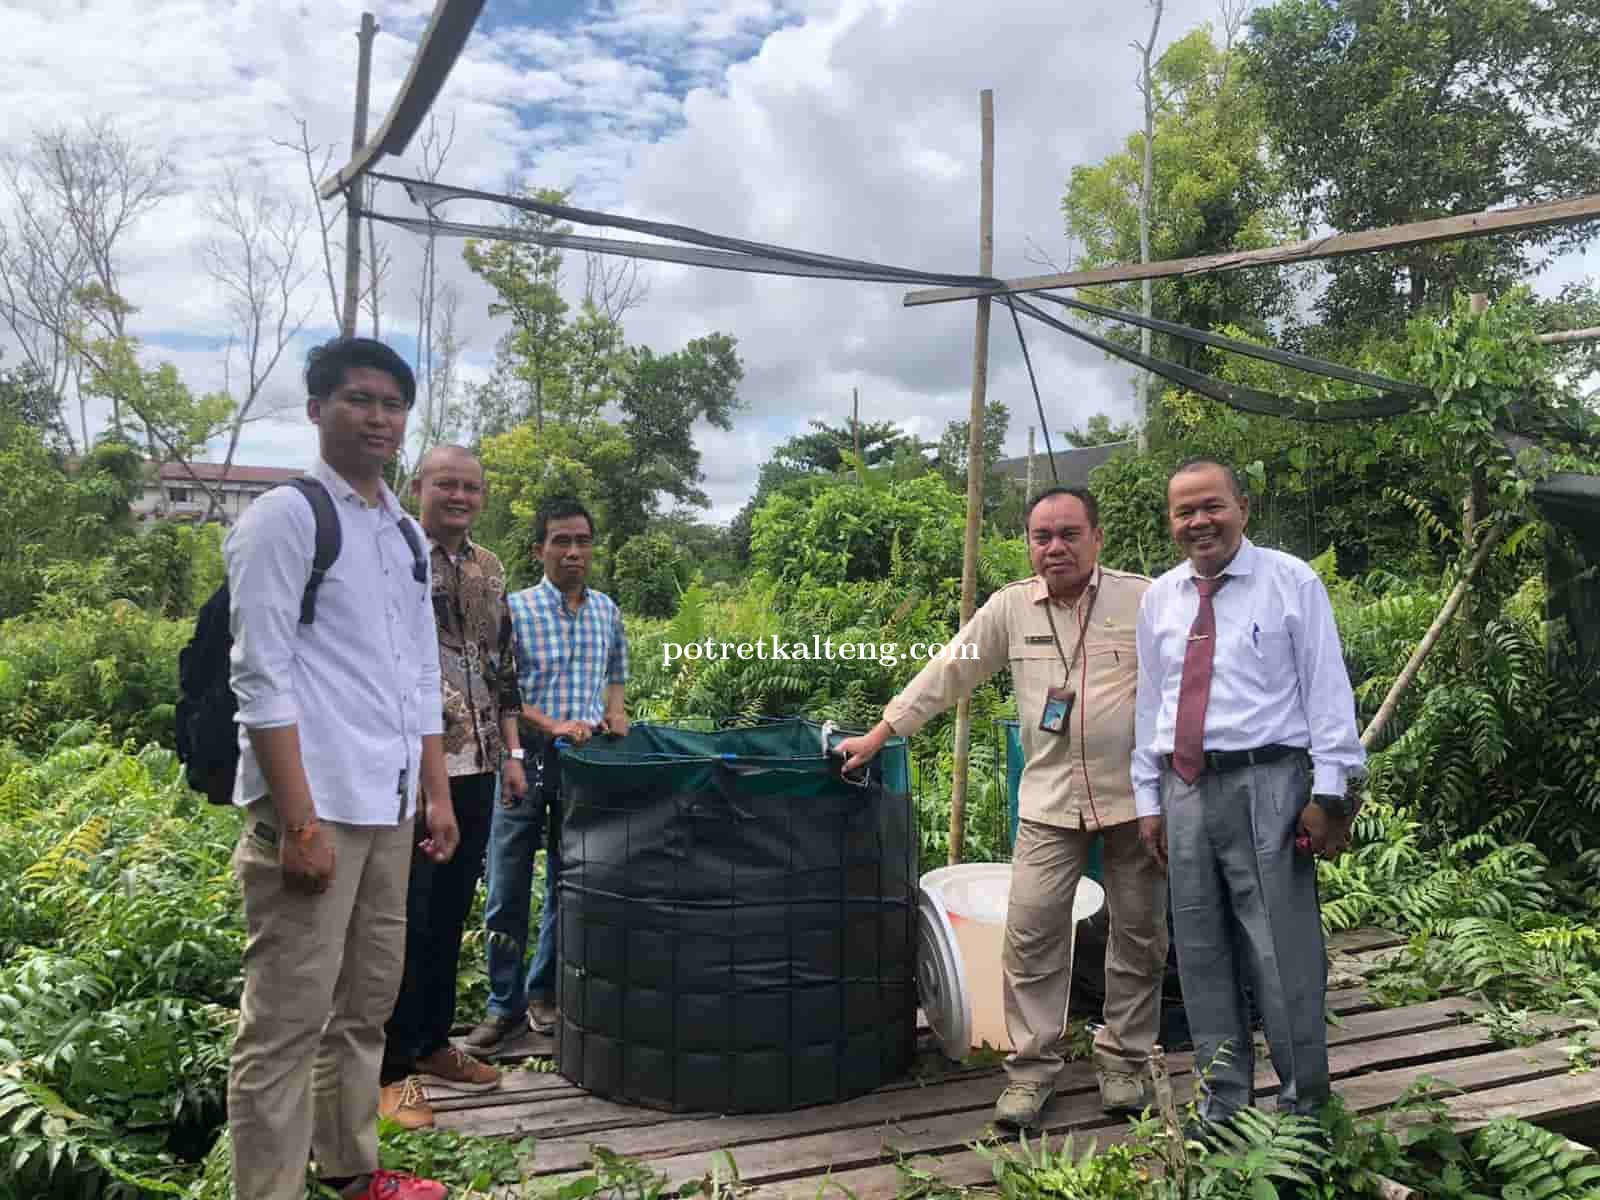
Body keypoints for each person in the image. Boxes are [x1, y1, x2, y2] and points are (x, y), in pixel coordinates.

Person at [838, 486, 1169, 1130]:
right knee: (1032, 933)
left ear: (1098, 538)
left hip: (1137, 800)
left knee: (1139, 935)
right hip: (1049, 802)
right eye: (1042, 536)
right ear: (1027, 545)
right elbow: (948, 671)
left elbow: (1189, 683)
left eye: (1070, 534)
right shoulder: (1010, 608)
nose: (1055, 548)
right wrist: (883, 731)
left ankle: (1125, 1064)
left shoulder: (1145, 598)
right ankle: (1031, 1071)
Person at [224, 337, 457, 1200]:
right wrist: (298, 823)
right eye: (359, 400)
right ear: (317, 408)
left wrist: (436, 793)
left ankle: (351, 1172)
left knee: (363, 1010)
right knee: (285, 1026)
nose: (378, 418)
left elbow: (417, 672)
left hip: (390, 809)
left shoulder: (401, 531)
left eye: (393, 404)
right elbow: (261, 679)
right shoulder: (285, 519)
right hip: (315, 812)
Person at [1132, 458, 1365, 1126]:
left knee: (1279, 949)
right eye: (1184, 511)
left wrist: (1332, 796)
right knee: (1199, 949)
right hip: (1185, 789)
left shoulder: (1291, 582)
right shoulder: (1161, 599)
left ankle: (1304, 1112)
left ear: (1243, 507)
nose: (1199, 522)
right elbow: (1155, 703)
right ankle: (1224, 1104)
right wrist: (1148, 801)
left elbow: (1327, 694)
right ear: (1171, 522)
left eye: (1212, 506)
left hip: (1271, 782)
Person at [377, 446, 528, 1129]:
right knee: (399, 918)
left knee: (448, 911)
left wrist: (514, 749)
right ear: (419, 487)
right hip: (409, 767)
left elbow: (503, 665)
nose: (459, 496)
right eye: (446, 484)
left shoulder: (488, 568)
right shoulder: (393, 551)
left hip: (481, 765)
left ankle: (433, 1043)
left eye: (471, 486)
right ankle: (389, 1070)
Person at [466, 499, 630, 1051]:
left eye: (582, 540)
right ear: (539, 550)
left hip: (584, 767)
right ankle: (501, 1005)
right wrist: (551, 723)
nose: (573, 551)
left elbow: (616, 672)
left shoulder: (607, 610)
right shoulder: (515, 610)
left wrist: (616, 711)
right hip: (524, 760)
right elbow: (497, 691)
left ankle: (543, 995)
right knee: (508, 883)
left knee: (571, 879)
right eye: (561, 541)